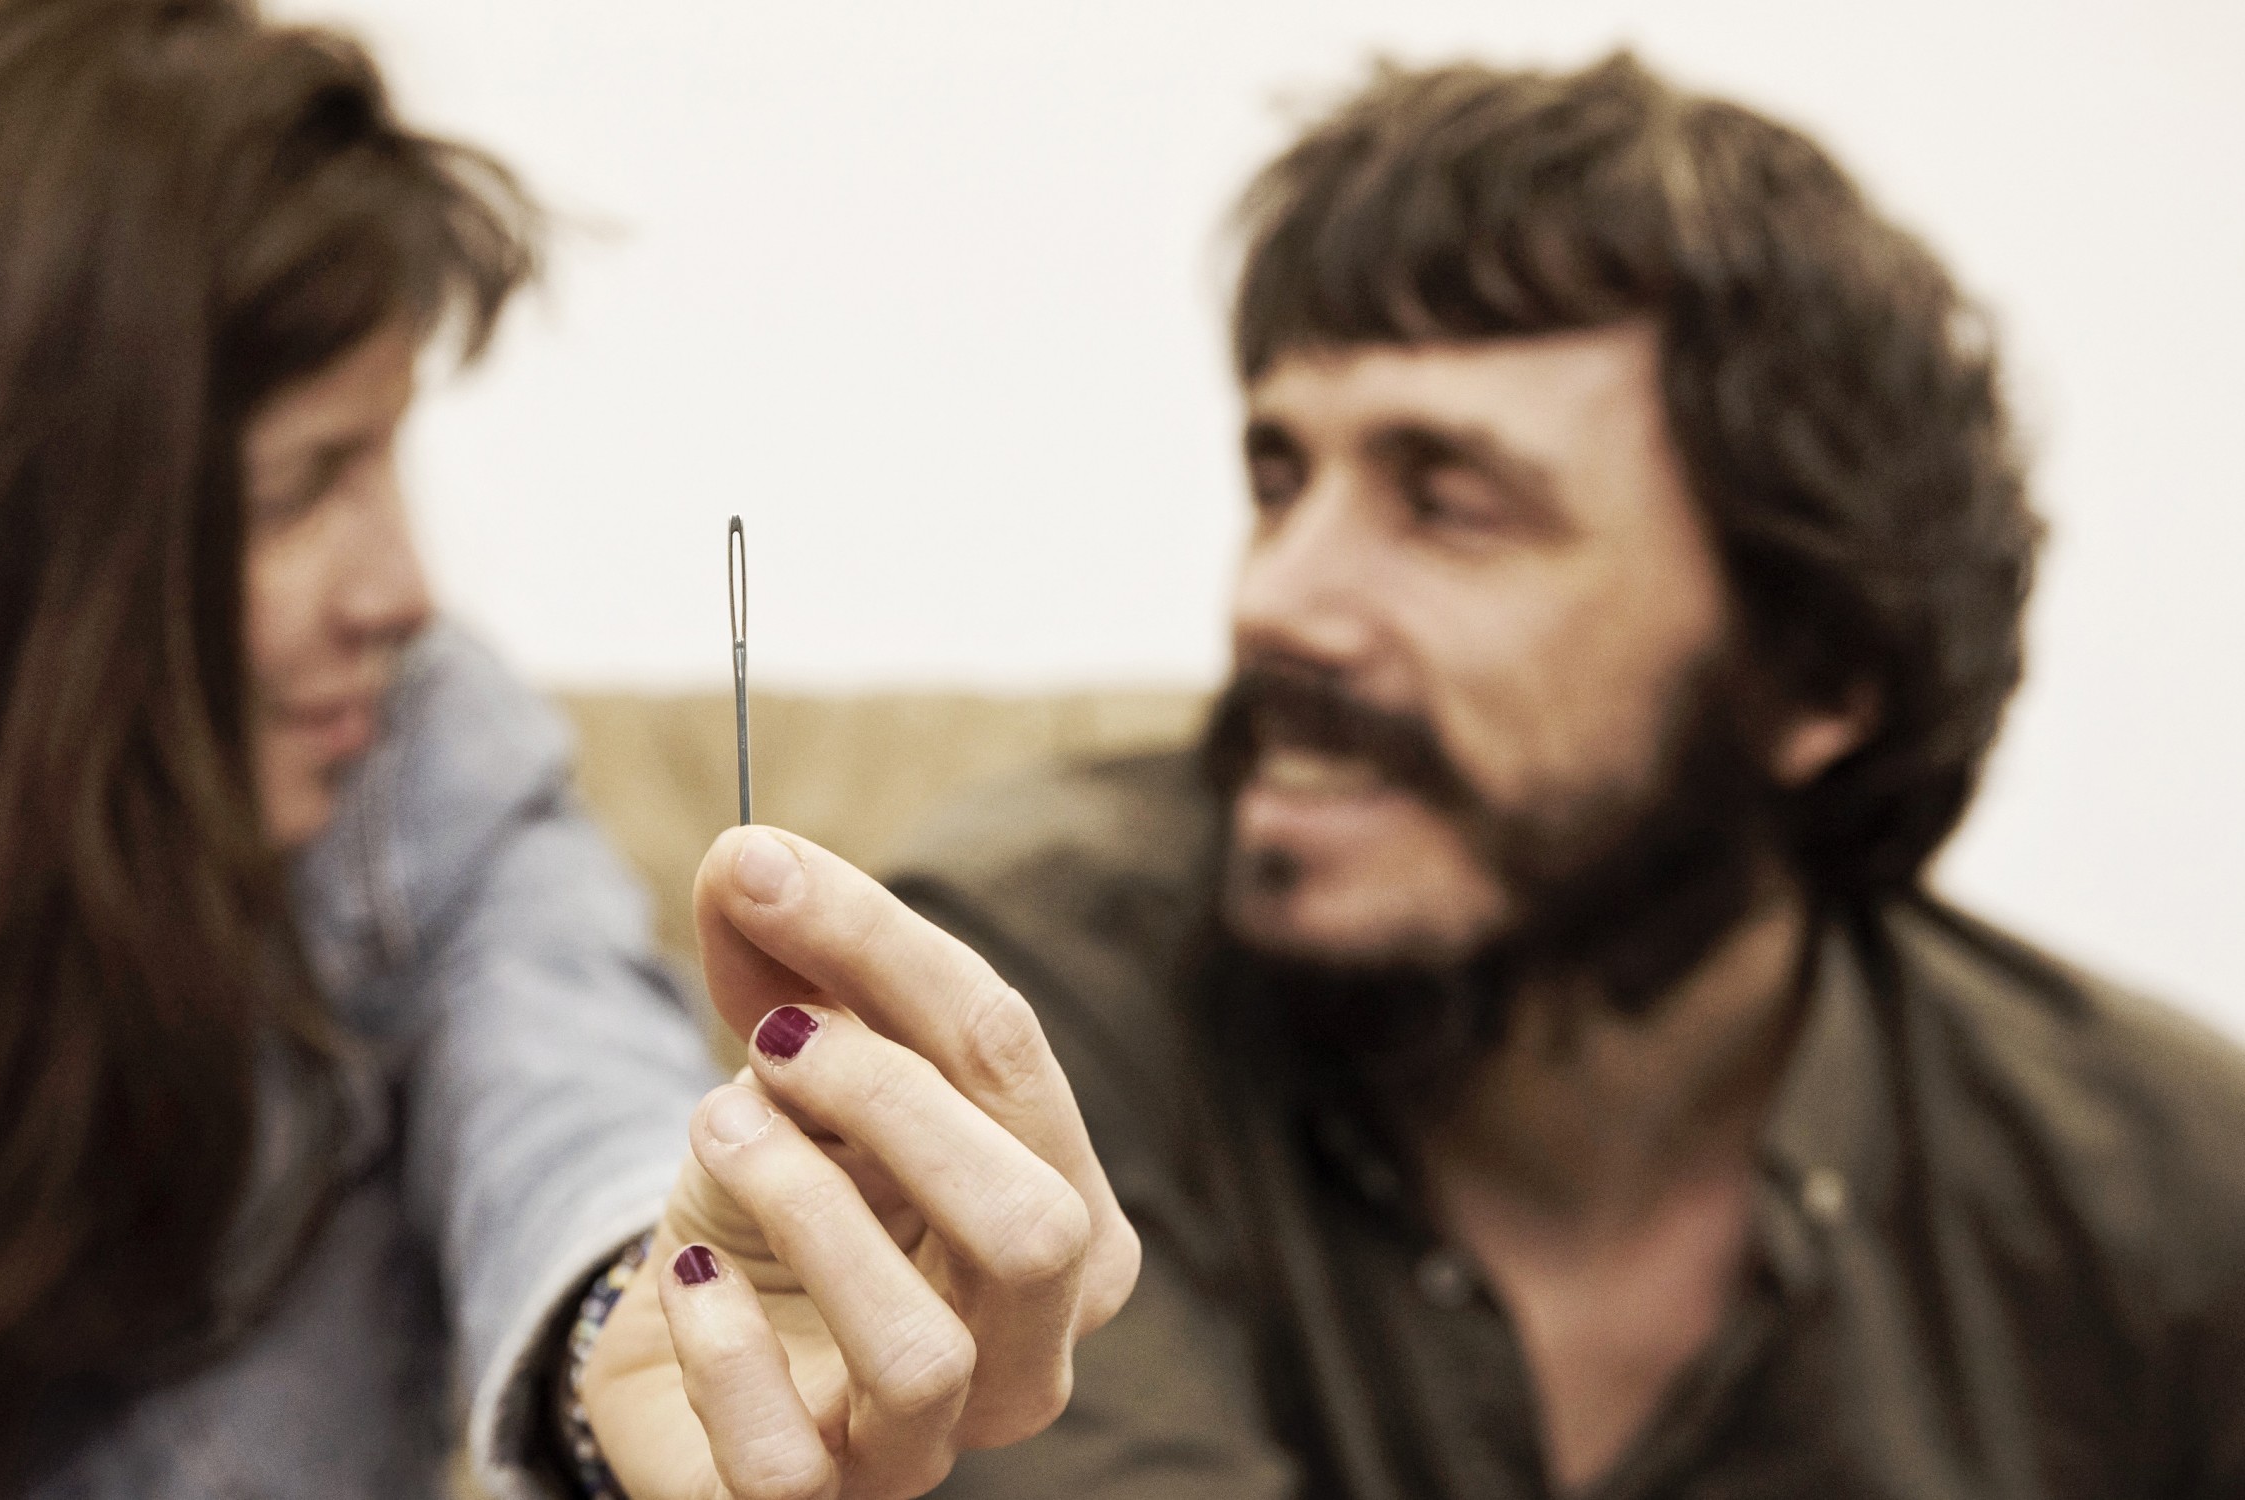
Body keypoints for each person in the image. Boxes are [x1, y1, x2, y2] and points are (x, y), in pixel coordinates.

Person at [0, 2, 1135, 1497]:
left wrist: (643, 1337)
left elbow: (572, 1113)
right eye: (304, 485)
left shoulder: (407, 784)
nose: (402, 588)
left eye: (387, 455)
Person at [891, 53, 2245, 1499]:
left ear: (1812, 675)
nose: (1275, 600)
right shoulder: (1018, 1004)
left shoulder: (2167, 1201)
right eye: (1281, 482)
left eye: (1450, 506)